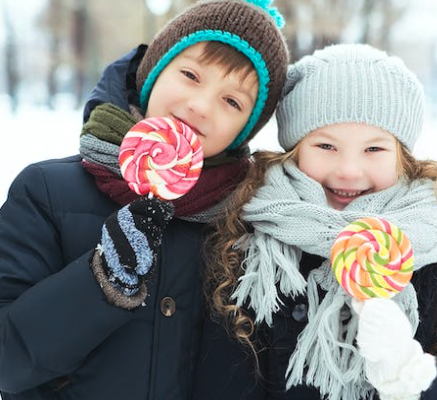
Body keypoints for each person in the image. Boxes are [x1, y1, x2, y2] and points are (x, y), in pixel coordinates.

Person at [0, 0, 288, 399]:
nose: (200, 106)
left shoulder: (247, 223)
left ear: (247, 130)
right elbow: (8, 362)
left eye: (232, 101)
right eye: (190, 75)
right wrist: (101, 282)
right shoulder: (45, 192)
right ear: (154, 70)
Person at [207, 43, 437, 400]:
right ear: (294, 147)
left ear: (402, 155)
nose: (349, 170)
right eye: (326, 147)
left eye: (374, 149)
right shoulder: (251, 236)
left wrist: (408, 372)